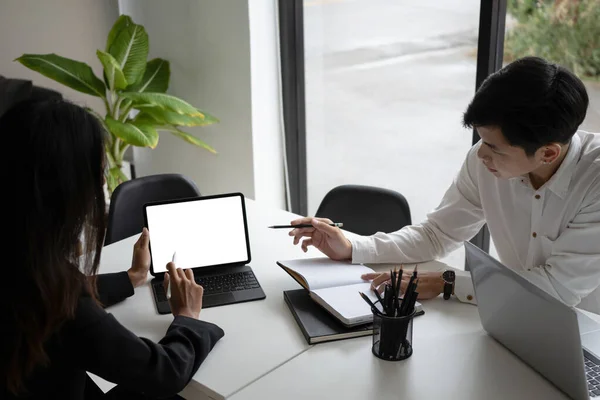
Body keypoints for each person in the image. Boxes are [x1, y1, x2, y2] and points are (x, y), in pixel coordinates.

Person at [289, 56, 600, 314]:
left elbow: (558, 288)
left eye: (494, 147)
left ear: (548, 153)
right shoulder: (483, 162)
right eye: (481, 140)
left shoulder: (594, 180)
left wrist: (448, 281)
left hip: (588, 329)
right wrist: (353, 247)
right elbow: (436, 234)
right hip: (513, 314)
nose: (480, 154)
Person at [0, 95, 224, 399]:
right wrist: (186, 318)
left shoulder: (20, 262)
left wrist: (129, 278)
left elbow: (50, 287)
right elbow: (163, 373)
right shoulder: (62, 308)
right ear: (65, 193)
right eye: (97, 177)